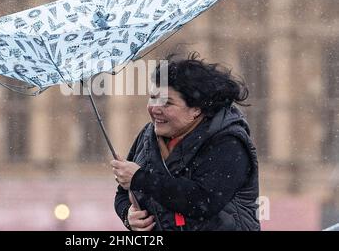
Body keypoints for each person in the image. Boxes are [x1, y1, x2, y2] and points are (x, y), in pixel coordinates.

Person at [111, 52, 260, 231]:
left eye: (167, 103)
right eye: (153, 97)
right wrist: (128, 215)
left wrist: (140, 178)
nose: (154, 108)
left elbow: (203, 202)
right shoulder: (147, 136)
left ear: (196, 109)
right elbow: (123, 193)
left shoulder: (228, 142)